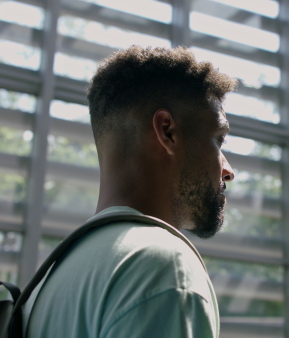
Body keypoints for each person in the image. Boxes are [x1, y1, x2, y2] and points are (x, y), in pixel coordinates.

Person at [23, 46, 237, 338]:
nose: (228, 170)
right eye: (218, 139)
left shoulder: (50, 279)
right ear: (167, 131)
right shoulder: (163, 267)